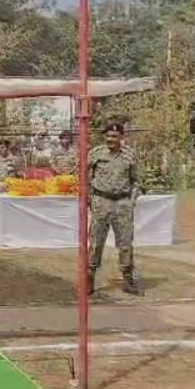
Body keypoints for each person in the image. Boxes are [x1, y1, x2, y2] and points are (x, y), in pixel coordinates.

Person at [88, 123, 141, 296]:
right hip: (101, 201)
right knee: (96, 242)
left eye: (114, 136)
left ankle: (127, 278)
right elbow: (86, 177)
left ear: (121, 137)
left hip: (122, 203)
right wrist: (90, 198)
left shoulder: (129, 155)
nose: (110, 139)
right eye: (108, 136)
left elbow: (136, 180)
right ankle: (89, 277)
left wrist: (131, 201)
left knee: (125, 243)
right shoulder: (96, 153)